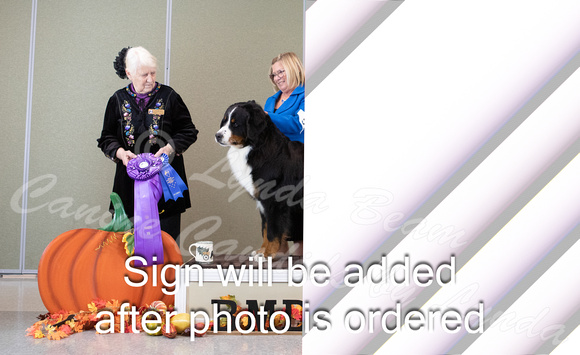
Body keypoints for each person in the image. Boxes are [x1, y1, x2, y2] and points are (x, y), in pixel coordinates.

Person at [97, 46, 198, 243]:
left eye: (153, 73)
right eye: (144, 75)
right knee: (125, 244)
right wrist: (120, 153)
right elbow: (106, 137)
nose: (150, 79)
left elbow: (188, 130)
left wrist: (170, 147)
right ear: (129, 73)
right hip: (128, 184)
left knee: (166, 243)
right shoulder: (117, 100)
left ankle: (166, 274)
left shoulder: (169, 97)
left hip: (165, 184)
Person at [264, 52, 305, 143]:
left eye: (280, 72)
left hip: (297, 154)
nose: (276, 78)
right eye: (274, 75)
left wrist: (267, 116)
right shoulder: (270, 101)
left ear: (295, 69)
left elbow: (299, 124)